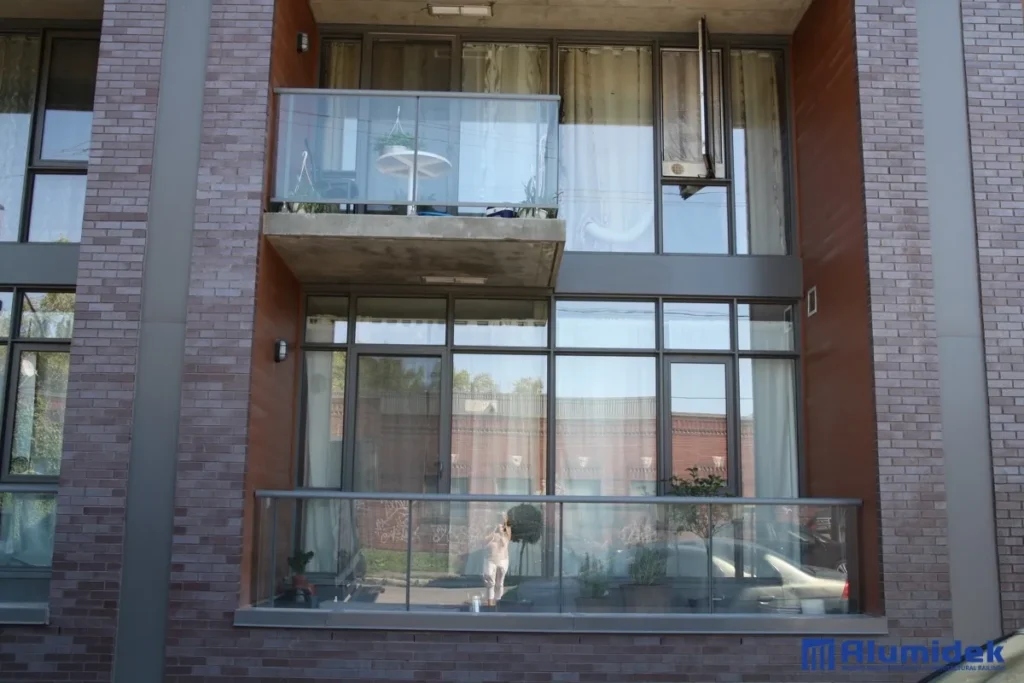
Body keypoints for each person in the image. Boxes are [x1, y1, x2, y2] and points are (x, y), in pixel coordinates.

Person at [482, 513, 512, 607]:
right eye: (499, 518)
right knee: (490, 583)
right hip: (490, 559)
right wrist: (494, 530)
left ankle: (499, 603)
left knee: (500, 583)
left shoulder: (507, 529)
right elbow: (484, 541)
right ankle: (490, 604)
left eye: (503, 518)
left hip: (502, 559)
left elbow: (507, 540)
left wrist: (502, 532)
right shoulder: (490, 528)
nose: (501, 520)